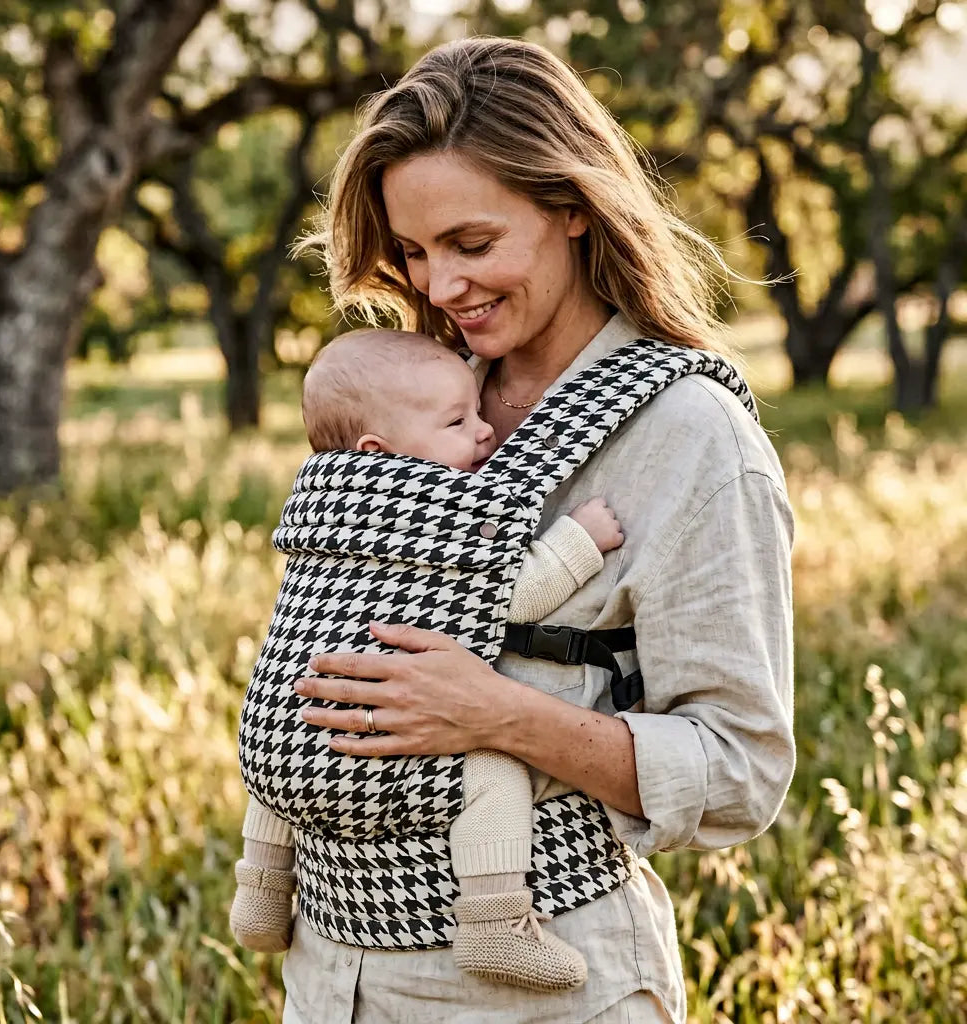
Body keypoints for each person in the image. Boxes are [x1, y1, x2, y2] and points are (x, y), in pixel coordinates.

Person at [272, 35, 795, 1024]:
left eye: (471, 244)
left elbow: (740, 767)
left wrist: (498, 716)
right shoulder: (422, 386)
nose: (437, 287)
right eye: (415, 252)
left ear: (571, 208)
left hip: (549, 986)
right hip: (334, 976)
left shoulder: (686, 435)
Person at [230, 329, 626, 993]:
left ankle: (263, 893)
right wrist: (580, 542)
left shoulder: (320, 508)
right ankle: (494, 922)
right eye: (456, 421)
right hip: (381, 729)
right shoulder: (431, 509)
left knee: (280, 766)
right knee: (497, 770)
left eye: (477, 413)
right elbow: (511, 595)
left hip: (281, 725)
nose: (484, 434)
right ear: (379, 454)